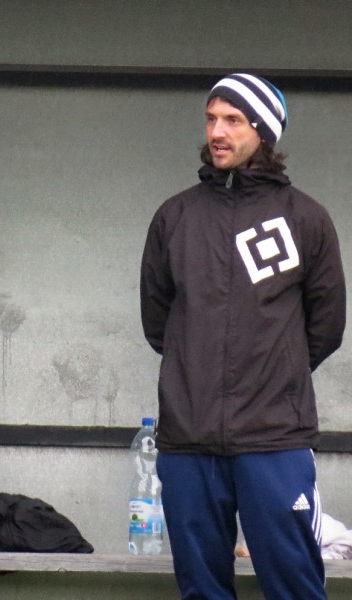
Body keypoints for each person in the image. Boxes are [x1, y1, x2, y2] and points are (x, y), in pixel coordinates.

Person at [140, 73, 346, 599]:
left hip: (274, 440)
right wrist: (198, 370)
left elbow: (327, 326)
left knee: (294, 587)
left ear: (264, 130)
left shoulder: (306, 219)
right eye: (211, 118)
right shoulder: (175, 216)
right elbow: (158, 323)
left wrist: (275, 371)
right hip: (187, 440)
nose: (217, 132)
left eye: (233, 120)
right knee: (201, 590)